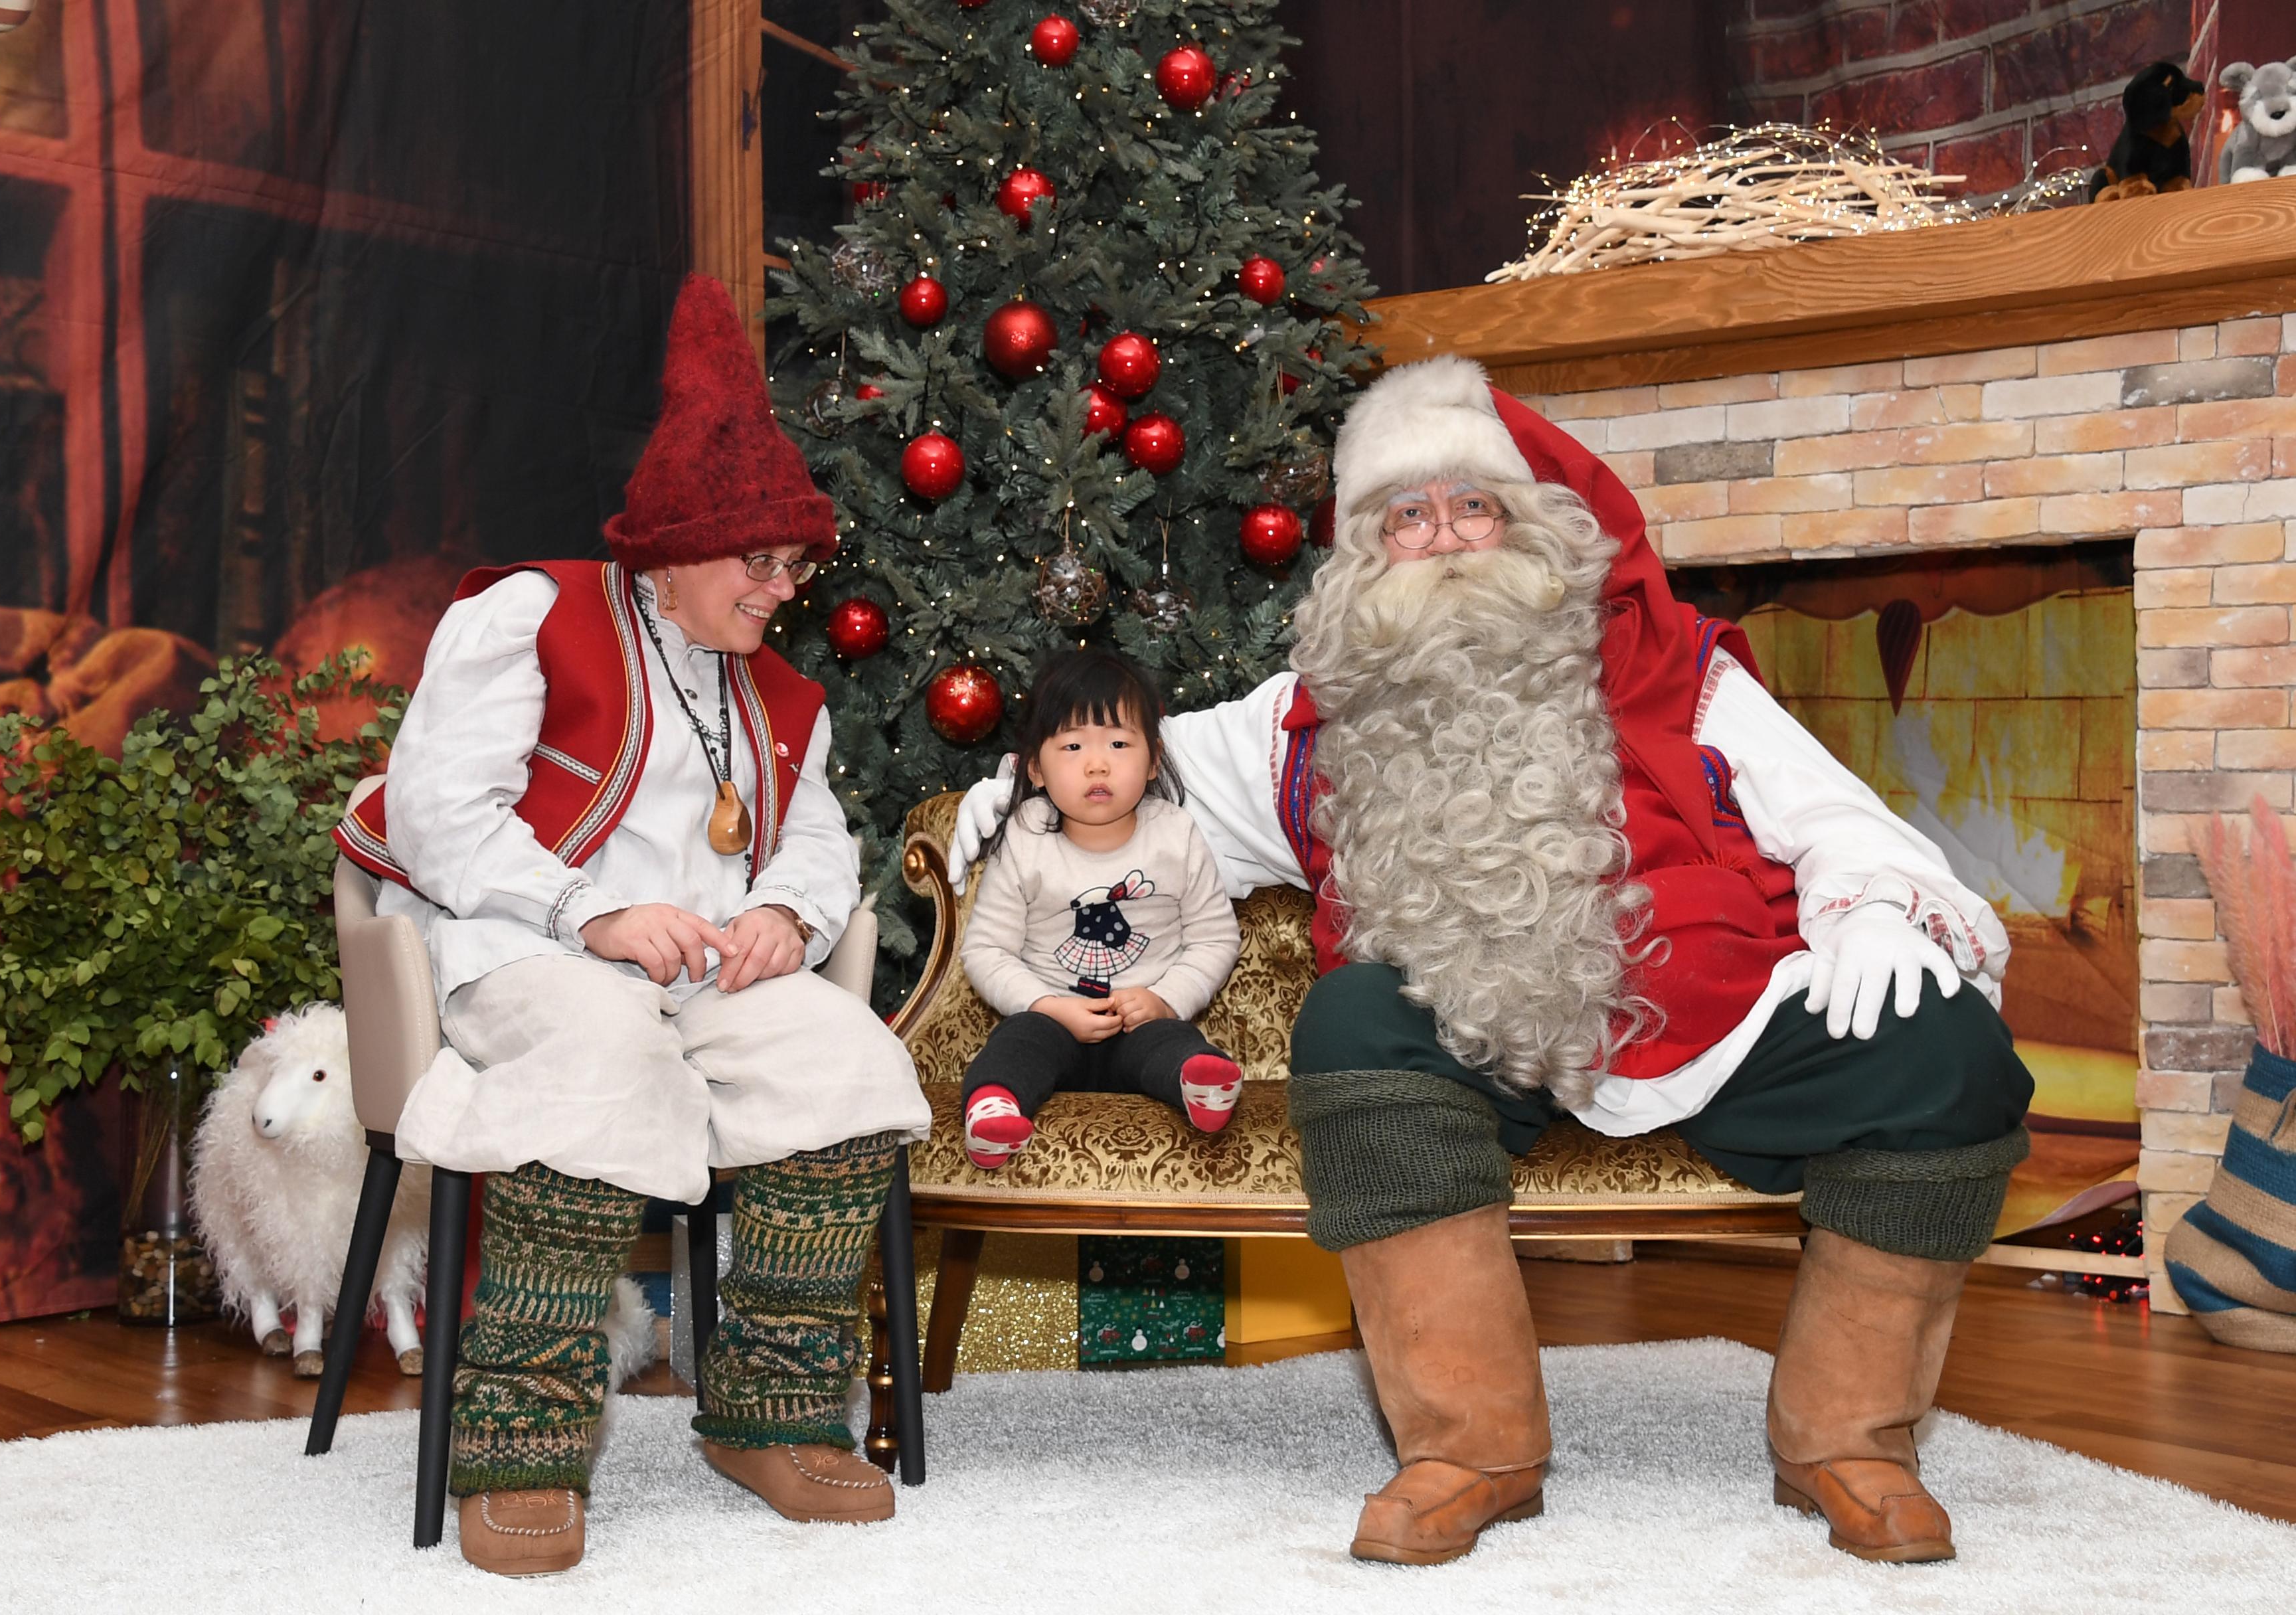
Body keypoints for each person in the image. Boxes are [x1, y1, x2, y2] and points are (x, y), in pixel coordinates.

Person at [947, 357, 2032, 1568]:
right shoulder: (1299, 721)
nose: (1445, 538)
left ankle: (1850, 1440)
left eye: (1474, 505)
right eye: (1407, 515)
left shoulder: (1679, 675)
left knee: (1946, 1050)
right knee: (1356, 1023)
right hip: (1463, 1024)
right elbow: (1144, 769)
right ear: (1369, 551)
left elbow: (1839, 822)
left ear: (1537, 526)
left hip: (1705, 1007)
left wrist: (1876, 915)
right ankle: (1470, 1446)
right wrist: (1016, 788)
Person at [333, 275, 932, 1576]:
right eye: (759, 563)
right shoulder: (532, 616)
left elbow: (821, 833)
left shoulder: (783, 693)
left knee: (851, 1065)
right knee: (604, 1059)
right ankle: (524, 1445)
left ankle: (770, 1412)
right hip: (524, 956)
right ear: (672, 548)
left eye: (794, 564)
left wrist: (786, 905)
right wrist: (587, 909)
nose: (783, 589)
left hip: (708, 976)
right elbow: (438, 812)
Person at [957, 649, 1245, 1169]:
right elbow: (986, 950)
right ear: (1037, 770)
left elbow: (1215, 938)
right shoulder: (1025, 835)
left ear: (1153, 760)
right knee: (1019, 1041)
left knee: (1173, 1043)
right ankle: (993, 1109)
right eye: (1072, 745)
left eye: (1118, 743)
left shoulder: (1175, 833)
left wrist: (1163, 999)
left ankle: (1200, 1084)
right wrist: (1045, 1004)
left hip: (1141, 1026)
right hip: (1052, 1021)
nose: (1097, 763)